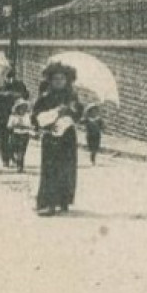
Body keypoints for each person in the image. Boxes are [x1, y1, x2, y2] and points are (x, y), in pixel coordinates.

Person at [32, 63, 83, 215]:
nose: (59, 82)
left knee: (66, 168)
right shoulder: (45, 98)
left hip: (67, 136)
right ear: (50, 80)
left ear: (68, 80)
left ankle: (64, 200)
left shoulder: (72, 97)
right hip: (50, 136)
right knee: (50, 168)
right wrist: (51, 116)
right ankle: (48, 202)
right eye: (55, 79)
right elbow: (35, 117)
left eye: (62, 79)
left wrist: (71, 111)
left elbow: (78, 115)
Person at [0, 69, 30, 168]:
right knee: (3, 138)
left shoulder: (20, 85)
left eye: (13, 77)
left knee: (16, 138)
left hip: (16, 116)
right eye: (8, 77)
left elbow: (26, 95)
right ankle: (5, 159)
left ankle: (14, 157)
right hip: (2, 116)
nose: (11, 79)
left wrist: (17, 95)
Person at [6, 99, 35, 172]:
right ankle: (14, 159)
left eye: (24, 108)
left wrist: (26, 127)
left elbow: (29, 125)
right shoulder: (13, 117)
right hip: (15, 134)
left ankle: (20, 166)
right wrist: (15, 125)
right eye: (21, 108)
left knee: (21, 151)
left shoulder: (27, 116)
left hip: (24, 135)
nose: (22, 110)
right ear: (17, 108)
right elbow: (9, 126)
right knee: (13, 149)